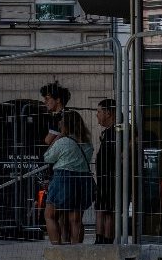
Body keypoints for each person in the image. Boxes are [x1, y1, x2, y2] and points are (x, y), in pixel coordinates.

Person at [43, 111, 95, 246]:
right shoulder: (87, 143)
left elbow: (48, 157)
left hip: (63, 179)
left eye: (61, 122)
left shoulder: (63, 142)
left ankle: (57, 251)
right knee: (76, 219)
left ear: (66, 125)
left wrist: (57, 138)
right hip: (83, 180)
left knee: (50, 215)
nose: (59, 124)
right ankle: (76, 253)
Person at [94, 100, 119, 244]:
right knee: (101, 209)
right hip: (104, 179)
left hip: (112, 179)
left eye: (99, 112)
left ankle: (107, 243)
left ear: (108, 113)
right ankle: (100, 240)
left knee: (108, 211)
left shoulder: (119, 131)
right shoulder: (107, 133)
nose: (97, 115)